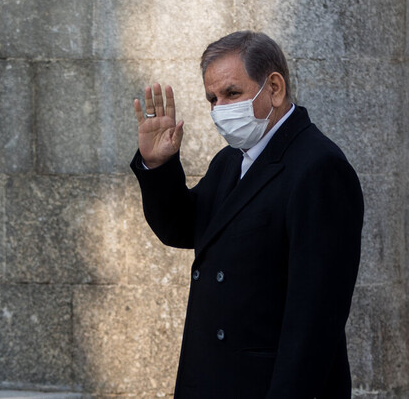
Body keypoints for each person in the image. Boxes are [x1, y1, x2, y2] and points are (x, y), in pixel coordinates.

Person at [130, 31, 364, 398]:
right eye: (212, 98)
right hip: (212, 378)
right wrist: (158, 166)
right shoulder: (231, 161)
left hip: (264, 385)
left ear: (274, 88)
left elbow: (317, 317)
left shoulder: (319, 167)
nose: (220, 108)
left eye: (232, 93)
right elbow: (184, 228)